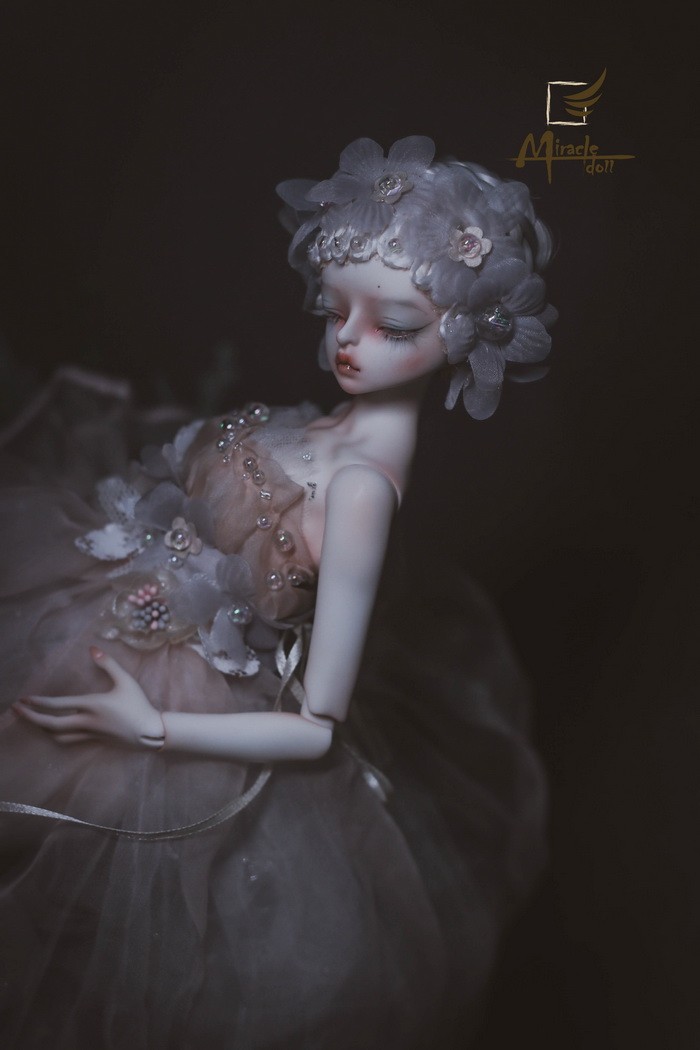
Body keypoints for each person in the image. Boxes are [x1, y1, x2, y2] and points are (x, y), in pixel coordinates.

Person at [0, 136, 556, 1049]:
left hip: (162, 704)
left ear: (463, 333)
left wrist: (151, 729)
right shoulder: (337, 428)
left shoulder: (362, 491)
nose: (347, 340)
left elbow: (316, 728)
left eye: (394, 326)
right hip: (99, 617)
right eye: (337, 310)